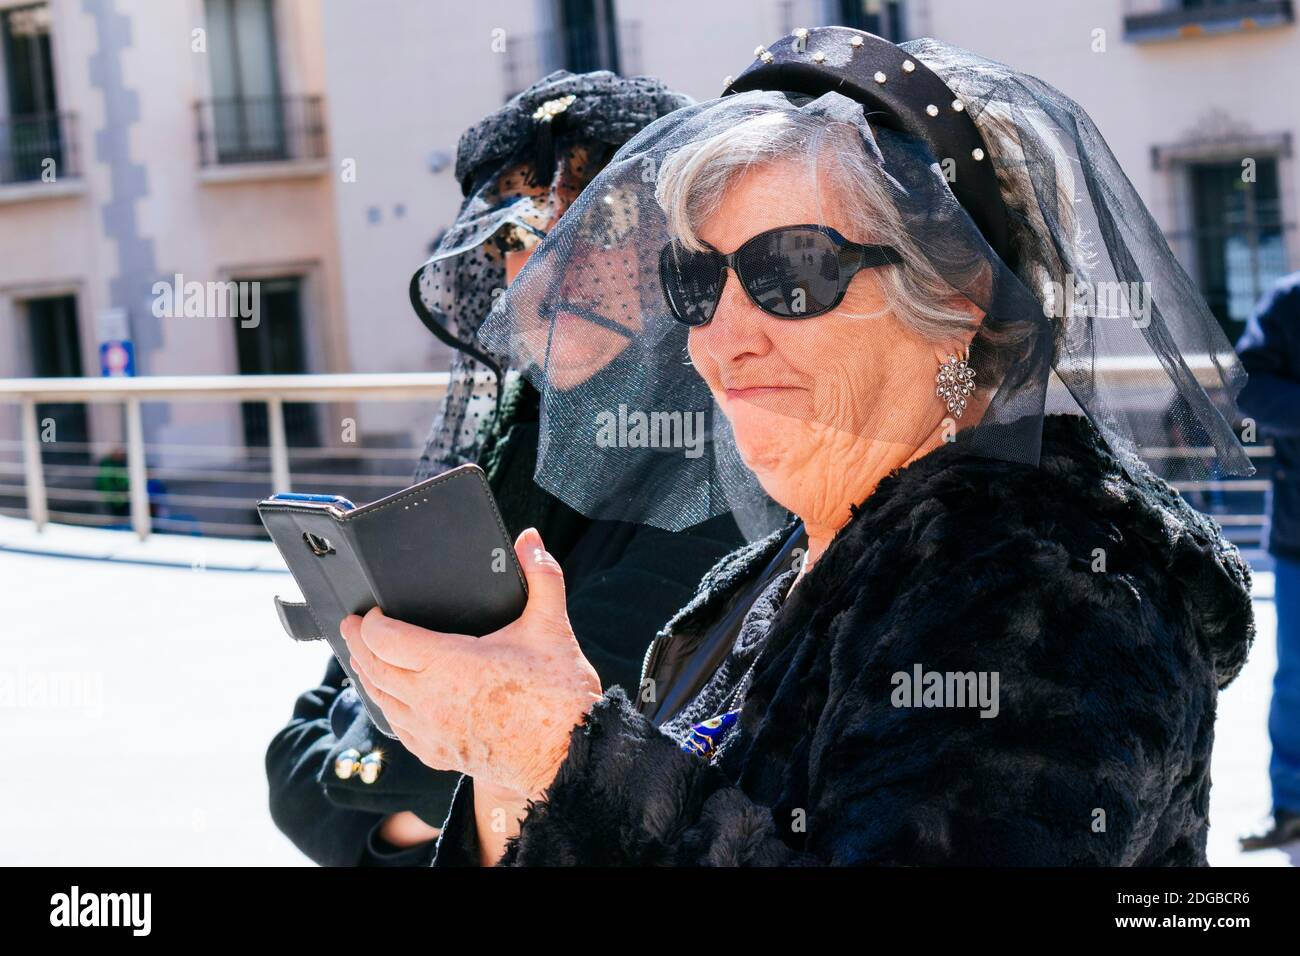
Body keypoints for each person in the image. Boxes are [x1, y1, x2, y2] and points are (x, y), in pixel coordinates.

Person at [342, 28, 1257, 866]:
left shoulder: (1050, 595)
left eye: (793, 272)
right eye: (697, 278)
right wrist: (508, 765)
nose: (721, 335)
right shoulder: (779, 568)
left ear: (959, 298)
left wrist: (558, 750)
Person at [264, 71, 742, 867]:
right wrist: (421, 789)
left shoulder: (728, 463)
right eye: (518, 240)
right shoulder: (512, 434)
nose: (547, 273)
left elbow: (577, 756)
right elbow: (295, 765)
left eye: (595, 232)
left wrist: (412, 785)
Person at [1236, 271, 1300, 850]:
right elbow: (1248, 385)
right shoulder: (1288, 300)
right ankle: (1292, 808)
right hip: (1299, 535)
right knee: (1296, 681)